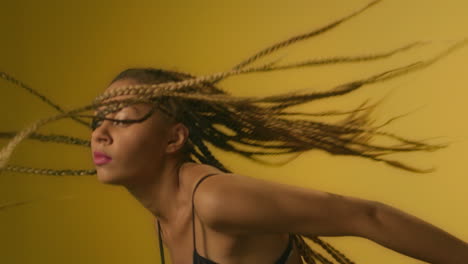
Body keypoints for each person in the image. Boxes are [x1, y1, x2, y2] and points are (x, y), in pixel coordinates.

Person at [1, 1, 467, 263]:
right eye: (98, 119)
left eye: (122, 117)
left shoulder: (214, 201)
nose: (100, 133)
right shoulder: (165, 215)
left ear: (173, 139)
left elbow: (367, 217)